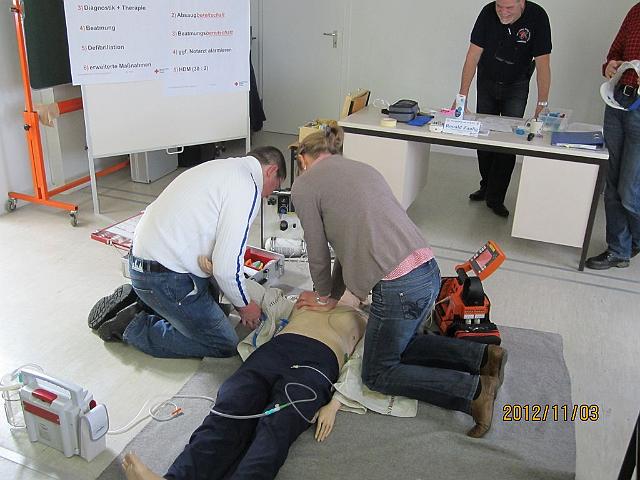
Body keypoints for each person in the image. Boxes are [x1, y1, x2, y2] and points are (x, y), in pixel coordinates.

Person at [291, 126, 508, 438]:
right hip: (428, 270)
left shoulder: (305, 185)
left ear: (302, 158)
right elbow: (348, 247)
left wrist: (322, 297)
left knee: (377, 372)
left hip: (400, 287)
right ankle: (485, 357)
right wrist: (332, 297)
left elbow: (317, 251)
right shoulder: (362, 170)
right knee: (399, 344)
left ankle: (475, 390)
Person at [121, 299, 368, 480]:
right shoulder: (305, 299)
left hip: (316, 363)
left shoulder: (365, 320)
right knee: (231, 409)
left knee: (277, 427)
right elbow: (258, 296)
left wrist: (334, 404)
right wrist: (218, 266)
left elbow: (359, 364)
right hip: (275, 350)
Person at [90, 147, 286, 358]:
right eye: (275, 186)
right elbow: (225, 269)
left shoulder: (222, 167)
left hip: (143, 263)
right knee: (223, 342)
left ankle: (146, 303)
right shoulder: (248, 187)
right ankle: (131, 325)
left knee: (220, 311)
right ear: (271, 170)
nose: (269, 195)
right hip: (163, 277)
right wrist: (245, 306)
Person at [456, 0, 552, 217]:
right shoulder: (487, 13)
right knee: (483, 136)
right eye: (499, 6)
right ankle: (486, 185)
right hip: (487, 80)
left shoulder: (538, 17)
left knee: (509, 140)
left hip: (516, 84)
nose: (503, 12)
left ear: (522, 3)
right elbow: (473, 55)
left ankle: (496, 197)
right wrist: (462, 96)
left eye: (509, 8)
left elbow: (543, 63)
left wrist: (542, 104)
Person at [585, 3, 640, 270]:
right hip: (618, 101)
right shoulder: (636, 11)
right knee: (613, 184)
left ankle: (631, 240)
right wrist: (611, 65)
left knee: (629, 190)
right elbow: (615, 52)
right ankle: (618, 249)